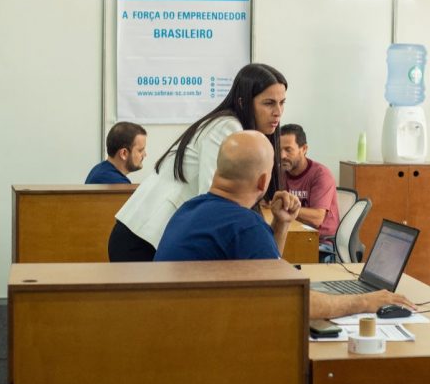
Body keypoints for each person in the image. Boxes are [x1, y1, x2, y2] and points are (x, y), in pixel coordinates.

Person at [155, 130, 415, 319]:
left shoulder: (190, 209)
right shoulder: (244, 225)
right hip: (201, 341)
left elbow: (268, 271)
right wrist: (365, 301)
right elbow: (292, 302)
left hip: (172, 327)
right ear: (263, 181)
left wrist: (281, 224)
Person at [109, 63, 287, 262]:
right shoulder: (228, 127)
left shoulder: (230, 125)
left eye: (282, 102)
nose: (278, 112)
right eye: (269, 103)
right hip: (141, 238)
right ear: (243, 101)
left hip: (151, 235)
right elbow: (217, 199)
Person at [279, 124, 339, 259]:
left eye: (288, 150)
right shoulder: (280, 173)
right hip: (292, 235)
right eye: (279, 149)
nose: (282, 155)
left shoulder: (321, 175)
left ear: (304, 149)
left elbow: (317, 218)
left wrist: (283, 208)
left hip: (321, 242)